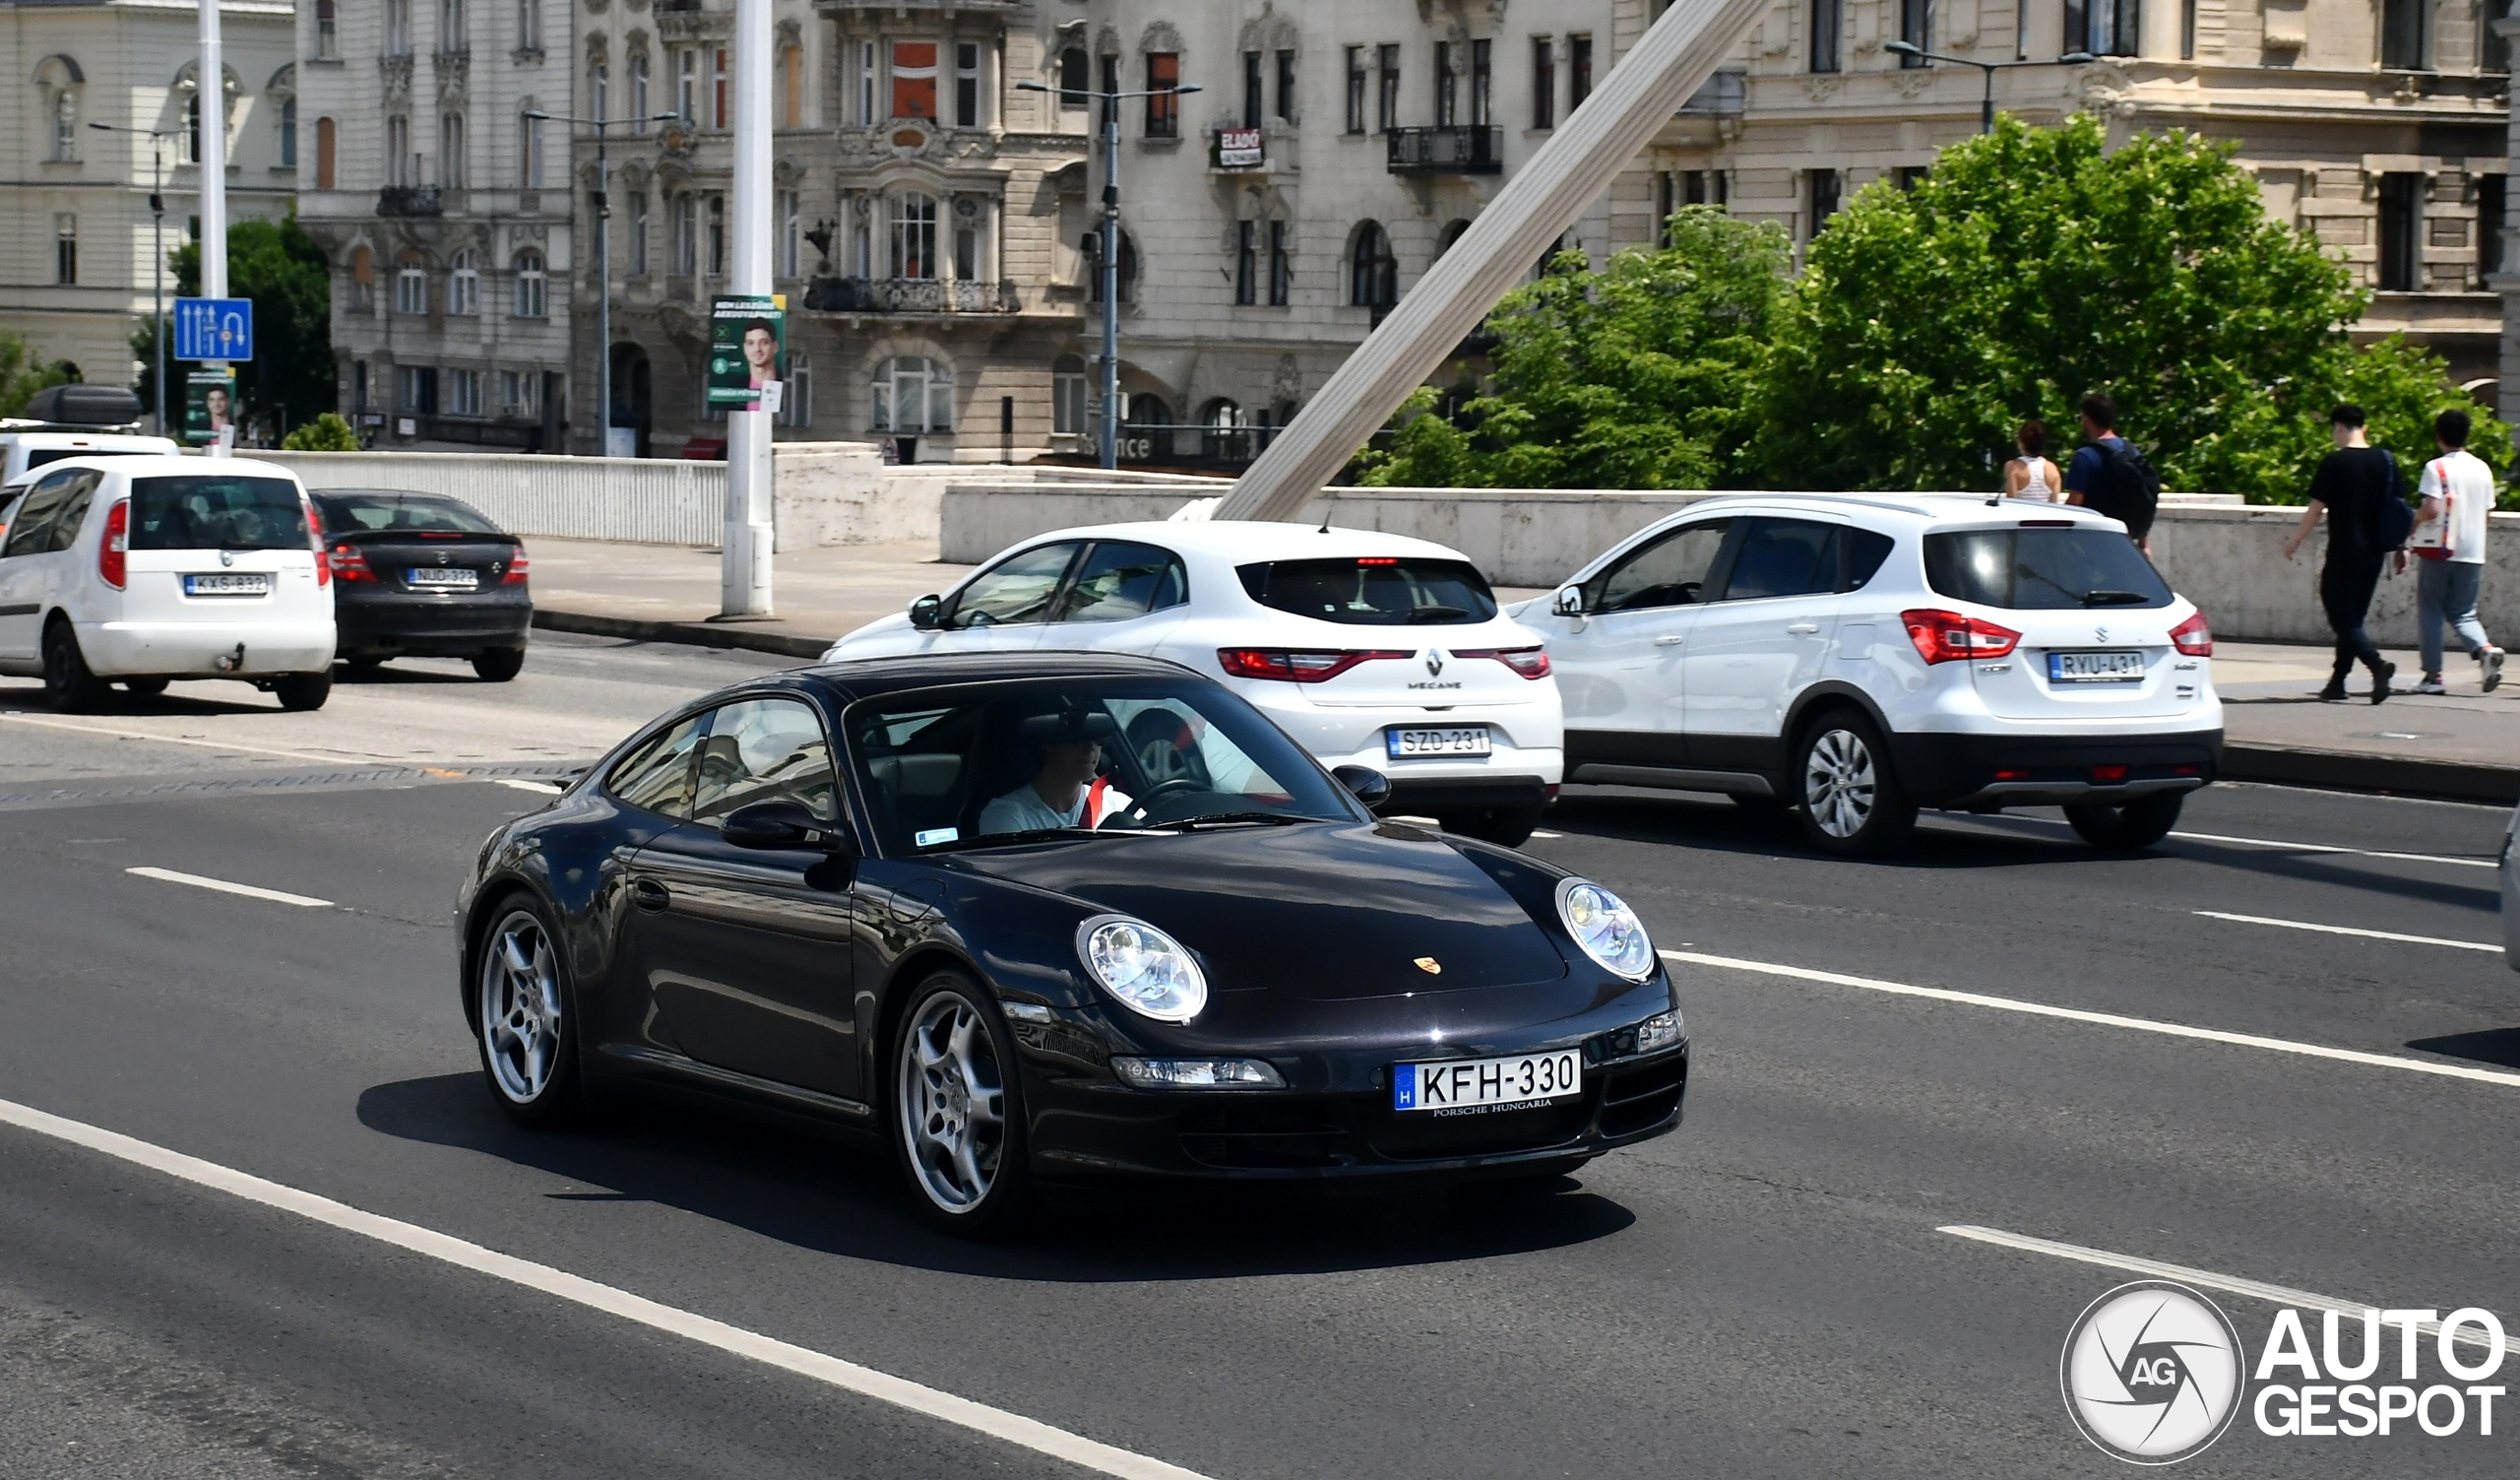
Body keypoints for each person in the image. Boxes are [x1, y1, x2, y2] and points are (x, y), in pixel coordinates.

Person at [2282, 404, 2400, 703]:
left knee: (2339, 615)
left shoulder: (2335, 462)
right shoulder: (2386, 461)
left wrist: (2296, 539)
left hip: (2345, 550)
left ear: (2338, 427)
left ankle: (2376, 664)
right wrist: (2402, 547)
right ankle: (2337, 682)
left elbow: (2316, 507)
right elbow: (2398, 508)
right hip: (2374, 553)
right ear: (2365, 427)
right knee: (2353, 619)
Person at [2407, 407, 2504, 695]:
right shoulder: (2482, 468)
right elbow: (2487, 514)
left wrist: (2413, 521)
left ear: (2439, 436)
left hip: (2441, 550)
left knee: (2431, 610)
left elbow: (2432, 508)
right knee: (2464, 612)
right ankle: (2485, 650)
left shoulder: (2436, 467)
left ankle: (2433, 677)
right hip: (2474, 551)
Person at [979, 713, 1133, 834]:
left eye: (1099, 739)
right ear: (1048, 743)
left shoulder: (1117, 805)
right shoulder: (1005, 815)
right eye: (1077, 739)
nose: (1090, 747)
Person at [2062, 394, 2157, 553]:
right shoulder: (2131, 451)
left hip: (2093, 540)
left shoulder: (2085, 456)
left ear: (2088, 420)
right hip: (2125, 539)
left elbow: (2074, 504)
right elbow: (2142, 494)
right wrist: (2143, 543)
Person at [2002, 420, 2062, 501]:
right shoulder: (2053, 469)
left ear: (2021, 443)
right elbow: (2054, 503)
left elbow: (2011, 500)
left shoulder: (2013, 467)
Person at [740, 319, 779, 390]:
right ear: (744, 348)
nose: (757, 349)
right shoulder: (734, 387)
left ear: (775, 346)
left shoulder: (788, 384)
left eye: (764, 342)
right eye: (751, 343)